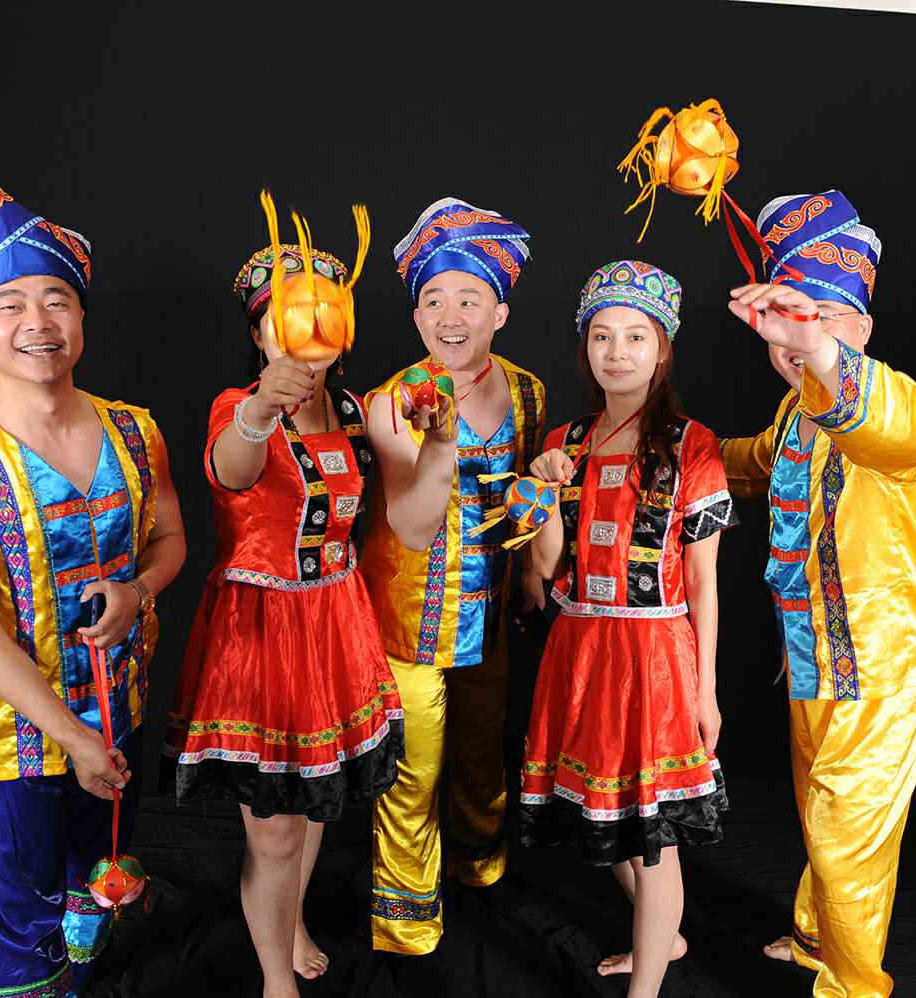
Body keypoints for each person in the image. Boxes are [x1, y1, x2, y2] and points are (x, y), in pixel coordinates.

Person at [0, 160, 186, 998]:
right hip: (16, 746)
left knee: (99, 884)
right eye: (10, 305)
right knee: (25, 922)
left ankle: (87, 965)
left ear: (81, 316)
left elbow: (170, 539)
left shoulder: (136, 433)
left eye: (56, 300)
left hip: (119, 710)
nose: (37, 322)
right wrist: (73, 739)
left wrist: (139, 592)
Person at [161, 233, 406, 995]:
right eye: (288, 315)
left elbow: (403, 513)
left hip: (337, 621)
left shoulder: (358, 409)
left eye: (325, 311)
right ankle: (276, 981)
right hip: (262, 633)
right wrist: (263, 407)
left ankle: (291, 920)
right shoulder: (237, 406)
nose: (308, 327)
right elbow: (230, 472)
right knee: (273, 834)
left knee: (318, 798)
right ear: (261, 332)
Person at [720, 190, 916, 998]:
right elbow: (748, 463)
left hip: (883, 666)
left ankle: (853, 986)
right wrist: (667, 439)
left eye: (823, 318)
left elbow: (871, 417)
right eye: (786, 318)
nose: (798, 336)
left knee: (845, 829)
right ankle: (818, 935)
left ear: (863, 330)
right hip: (815, 659)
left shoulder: (901, 406)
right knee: (822, 812)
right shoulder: (795, 412)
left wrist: (812, 343)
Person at [519, 260, 734, 998]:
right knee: (596, 809)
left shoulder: (692, 445)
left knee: (651, 837)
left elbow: (704, 583)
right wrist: (542, 490)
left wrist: (706, 691)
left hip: (655, 654)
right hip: (580, 649)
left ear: (662, 349)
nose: (617, 352)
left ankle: (646, 987)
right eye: (602, 336)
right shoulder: (565, 441)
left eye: (635, 337)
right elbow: (547, 567)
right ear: (585, 347)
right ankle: (661, 938)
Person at [363, 197, 547, 955]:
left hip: (491, 617)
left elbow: (527, 498)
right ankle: (406, 924)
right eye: (433, 300)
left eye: (469, 299)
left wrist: (532, 571)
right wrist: (438, 440)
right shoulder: (390, 403)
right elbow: (411, 526)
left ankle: (480, 867)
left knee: (482, 753)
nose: (450, 316)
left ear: (499, 313)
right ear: (416, 318)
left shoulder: (529, 391)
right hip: (408, 620)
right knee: (413, 773)